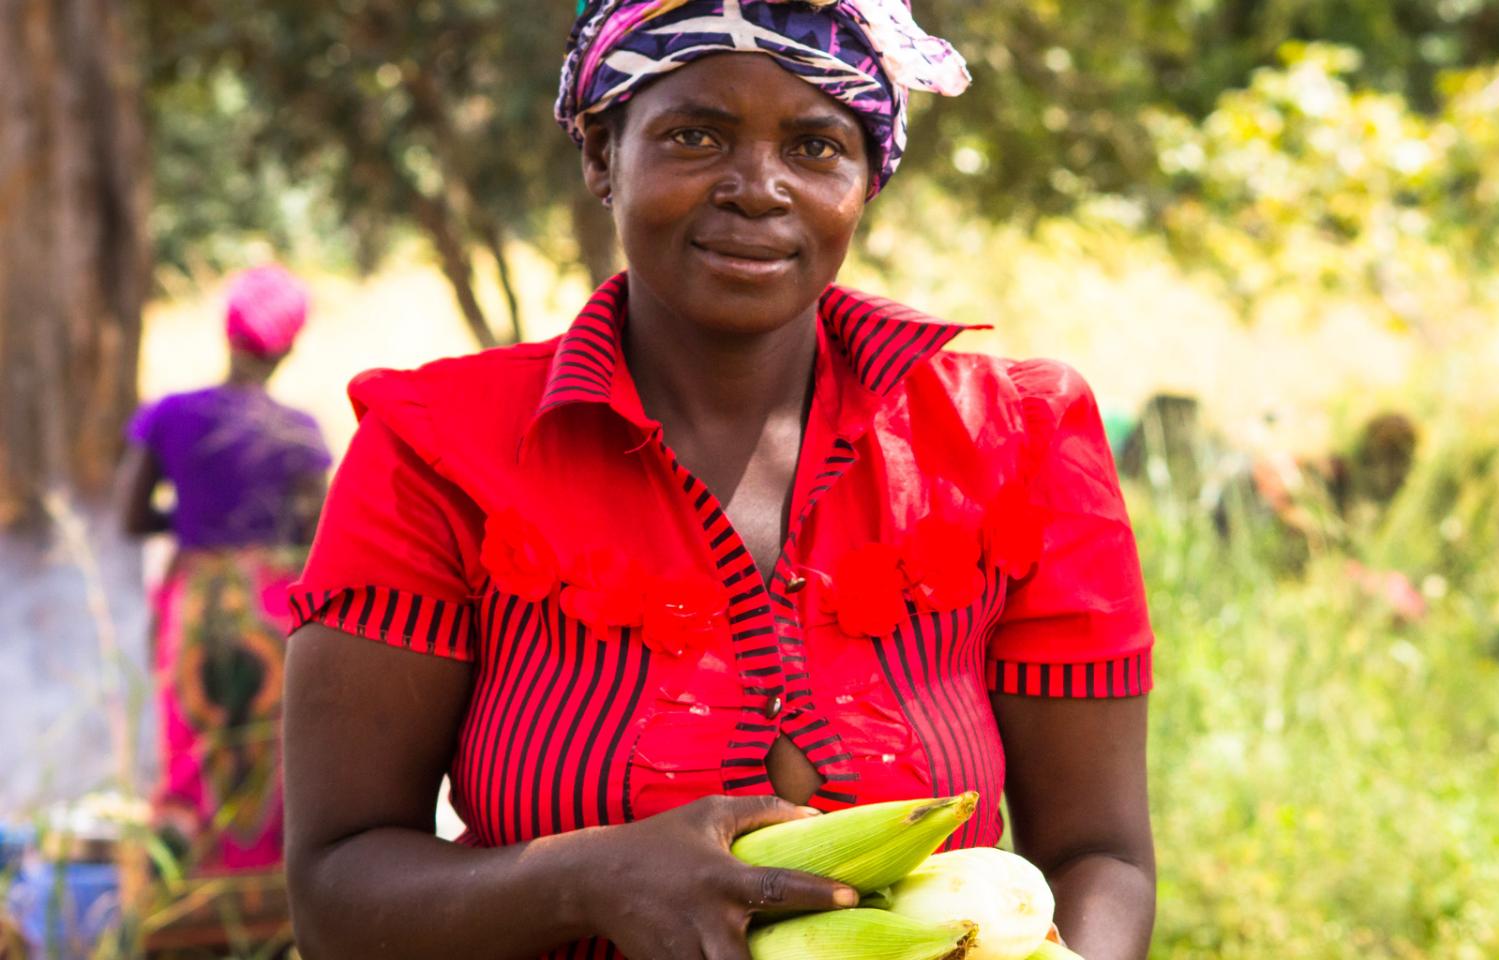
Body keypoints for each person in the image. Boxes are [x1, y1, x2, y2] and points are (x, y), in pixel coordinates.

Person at [280, 3, 1157, 959]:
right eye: (695, 135)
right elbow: (336, 892)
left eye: (817, 147)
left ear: (869, 181)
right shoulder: (441, 451)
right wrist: (584, 879)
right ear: (603, 155)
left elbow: (1099, 853)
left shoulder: (1014, 440)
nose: (757, 189)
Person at [114, 264, 332, 874]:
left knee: (190, 750)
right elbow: (319, 539)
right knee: (271, 753)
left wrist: (188, 524)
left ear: (227, 333)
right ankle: (268, 901)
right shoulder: (298, 432)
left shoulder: (169, 416)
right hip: (273, 606)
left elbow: (130, 519)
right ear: (289, 343)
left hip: (193, 600)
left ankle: (182, 899)